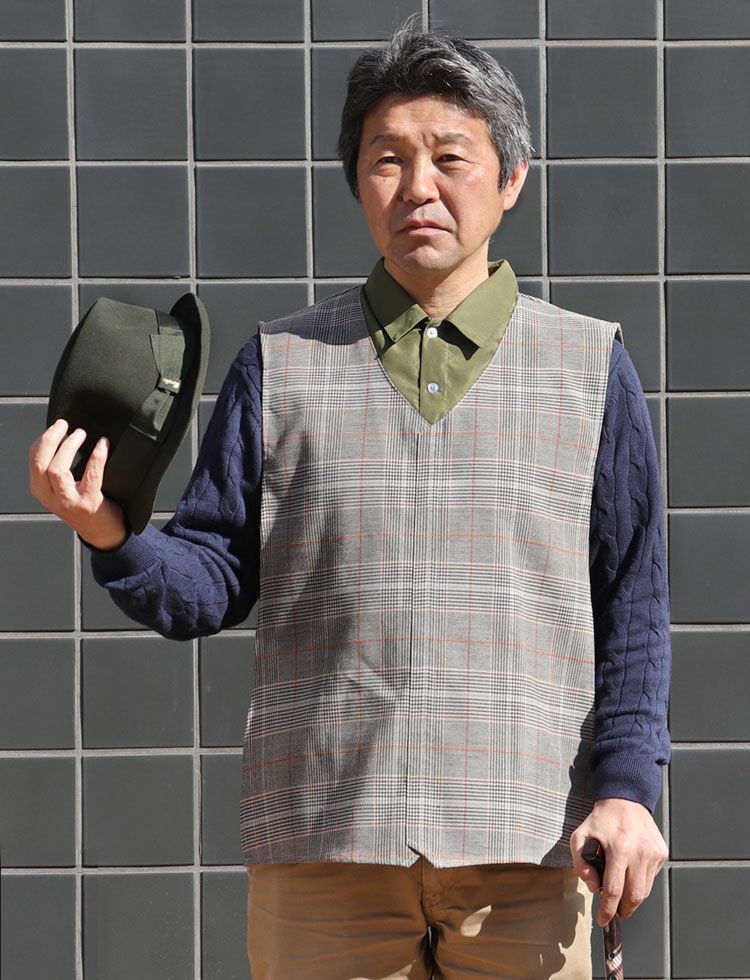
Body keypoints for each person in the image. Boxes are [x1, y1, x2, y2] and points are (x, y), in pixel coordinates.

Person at [29, 19, 670, 980]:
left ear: (511, 179)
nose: (417, 186)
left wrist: (629, 789)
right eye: (387, 160)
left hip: (533, 845)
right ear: (357, 183)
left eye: (450, 156)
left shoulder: (589, 366)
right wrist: (112, 534)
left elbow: (634, 606)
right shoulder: (279, 362)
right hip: (325, 845)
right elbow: (212, 578)